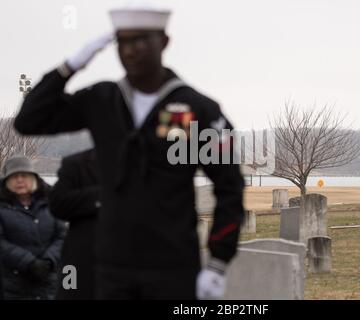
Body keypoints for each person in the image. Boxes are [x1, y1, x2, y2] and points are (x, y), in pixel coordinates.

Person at [14, 3, 244, 300]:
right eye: (122, 42)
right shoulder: (103, 100)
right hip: (112, 266)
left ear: (163, 42)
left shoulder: (196, 108)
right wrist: (68, 66)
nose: (130, 51)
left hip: (172, 265)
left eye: (139, 40)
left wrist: (218, 262)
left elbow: (230, 187)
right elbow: (29, 120)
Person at [0, 156, 66, 300]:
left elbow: (62, 235)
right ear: (7, 181)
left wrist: (49, 260)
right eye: (14, 176)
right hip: (13, 283)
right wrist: (28, 262)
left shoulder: (51, 203)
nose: (20, 180)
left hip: (49, 281)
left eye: (24, 175)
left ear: (34, 179)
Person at [49, 149, 100, 300]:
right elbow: (58, 203)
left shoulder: (149, 163)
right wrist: (105, 196)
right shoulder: (76, 164)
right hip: (80, 264)